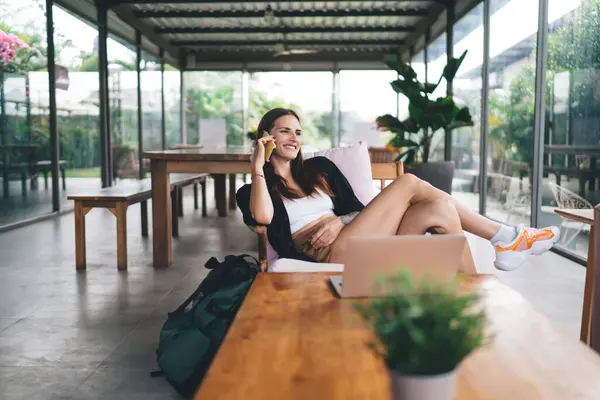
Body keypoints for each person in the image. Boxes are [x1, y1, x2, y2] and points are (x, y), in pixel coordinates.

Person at [236, 108, 560, 271]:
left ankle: (470, 293)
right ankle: (505, 237)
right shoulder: (253, 188)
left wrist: (338, 221)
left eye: (298, 132)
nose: (294, 138)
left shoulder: (318, 170)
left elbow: (357, 210)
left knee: (440, 210)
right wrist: (256, 166)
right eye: (284, 131)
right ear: (267, 136)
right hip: (327, 255)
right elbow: (262, 217)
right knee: (408, 182)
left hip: (355, 238)